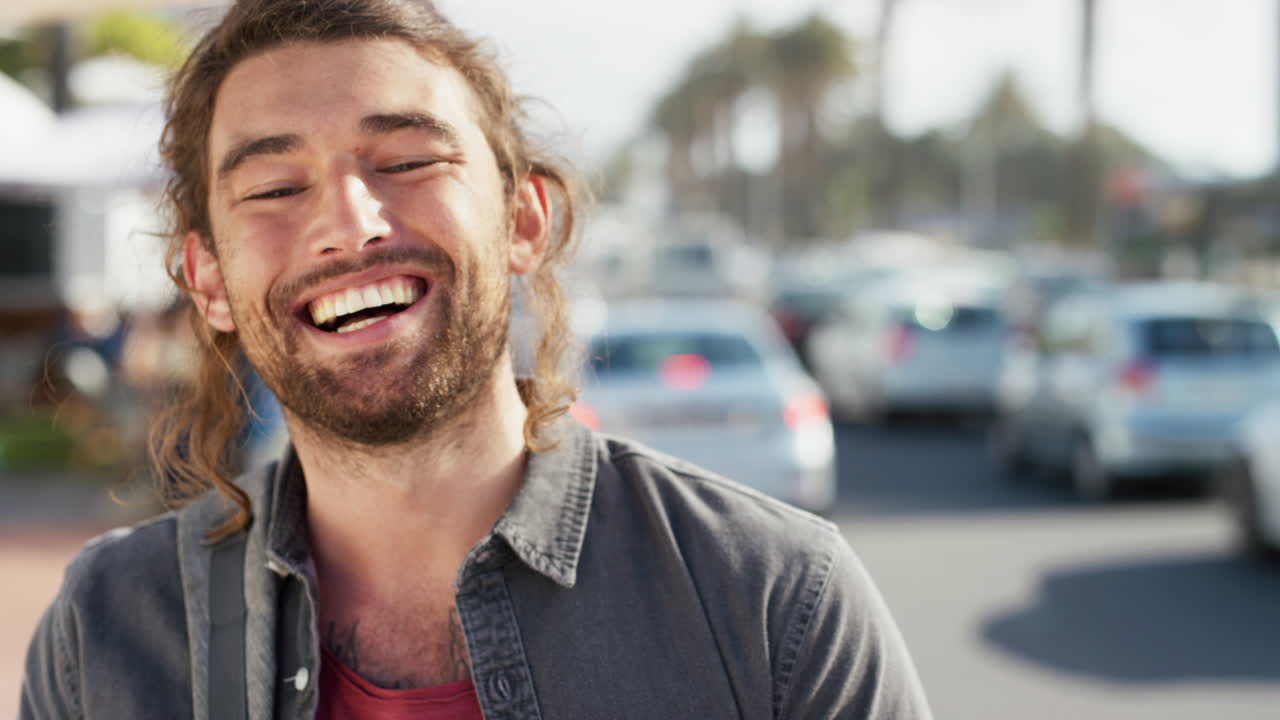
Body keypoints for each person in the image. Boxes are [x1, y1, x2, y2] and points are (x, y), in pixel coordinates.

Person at [20, 1, 933, 718]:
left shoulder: (775, 601)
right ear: (207, 279)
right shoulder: (103, 637)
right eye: (274, 186)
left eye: (408, 160)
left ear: (524, 220)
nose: (349, 222)